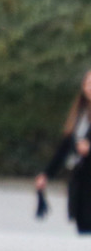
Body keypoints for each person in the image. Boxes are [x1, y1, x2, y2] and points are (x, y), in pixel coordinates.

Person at [36, 69, 91, 234]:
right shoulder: (79, 115)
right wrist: (46, 174)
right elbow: (64, 148)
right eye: (88, 83)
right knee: (84, 230)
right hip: (82, 183)